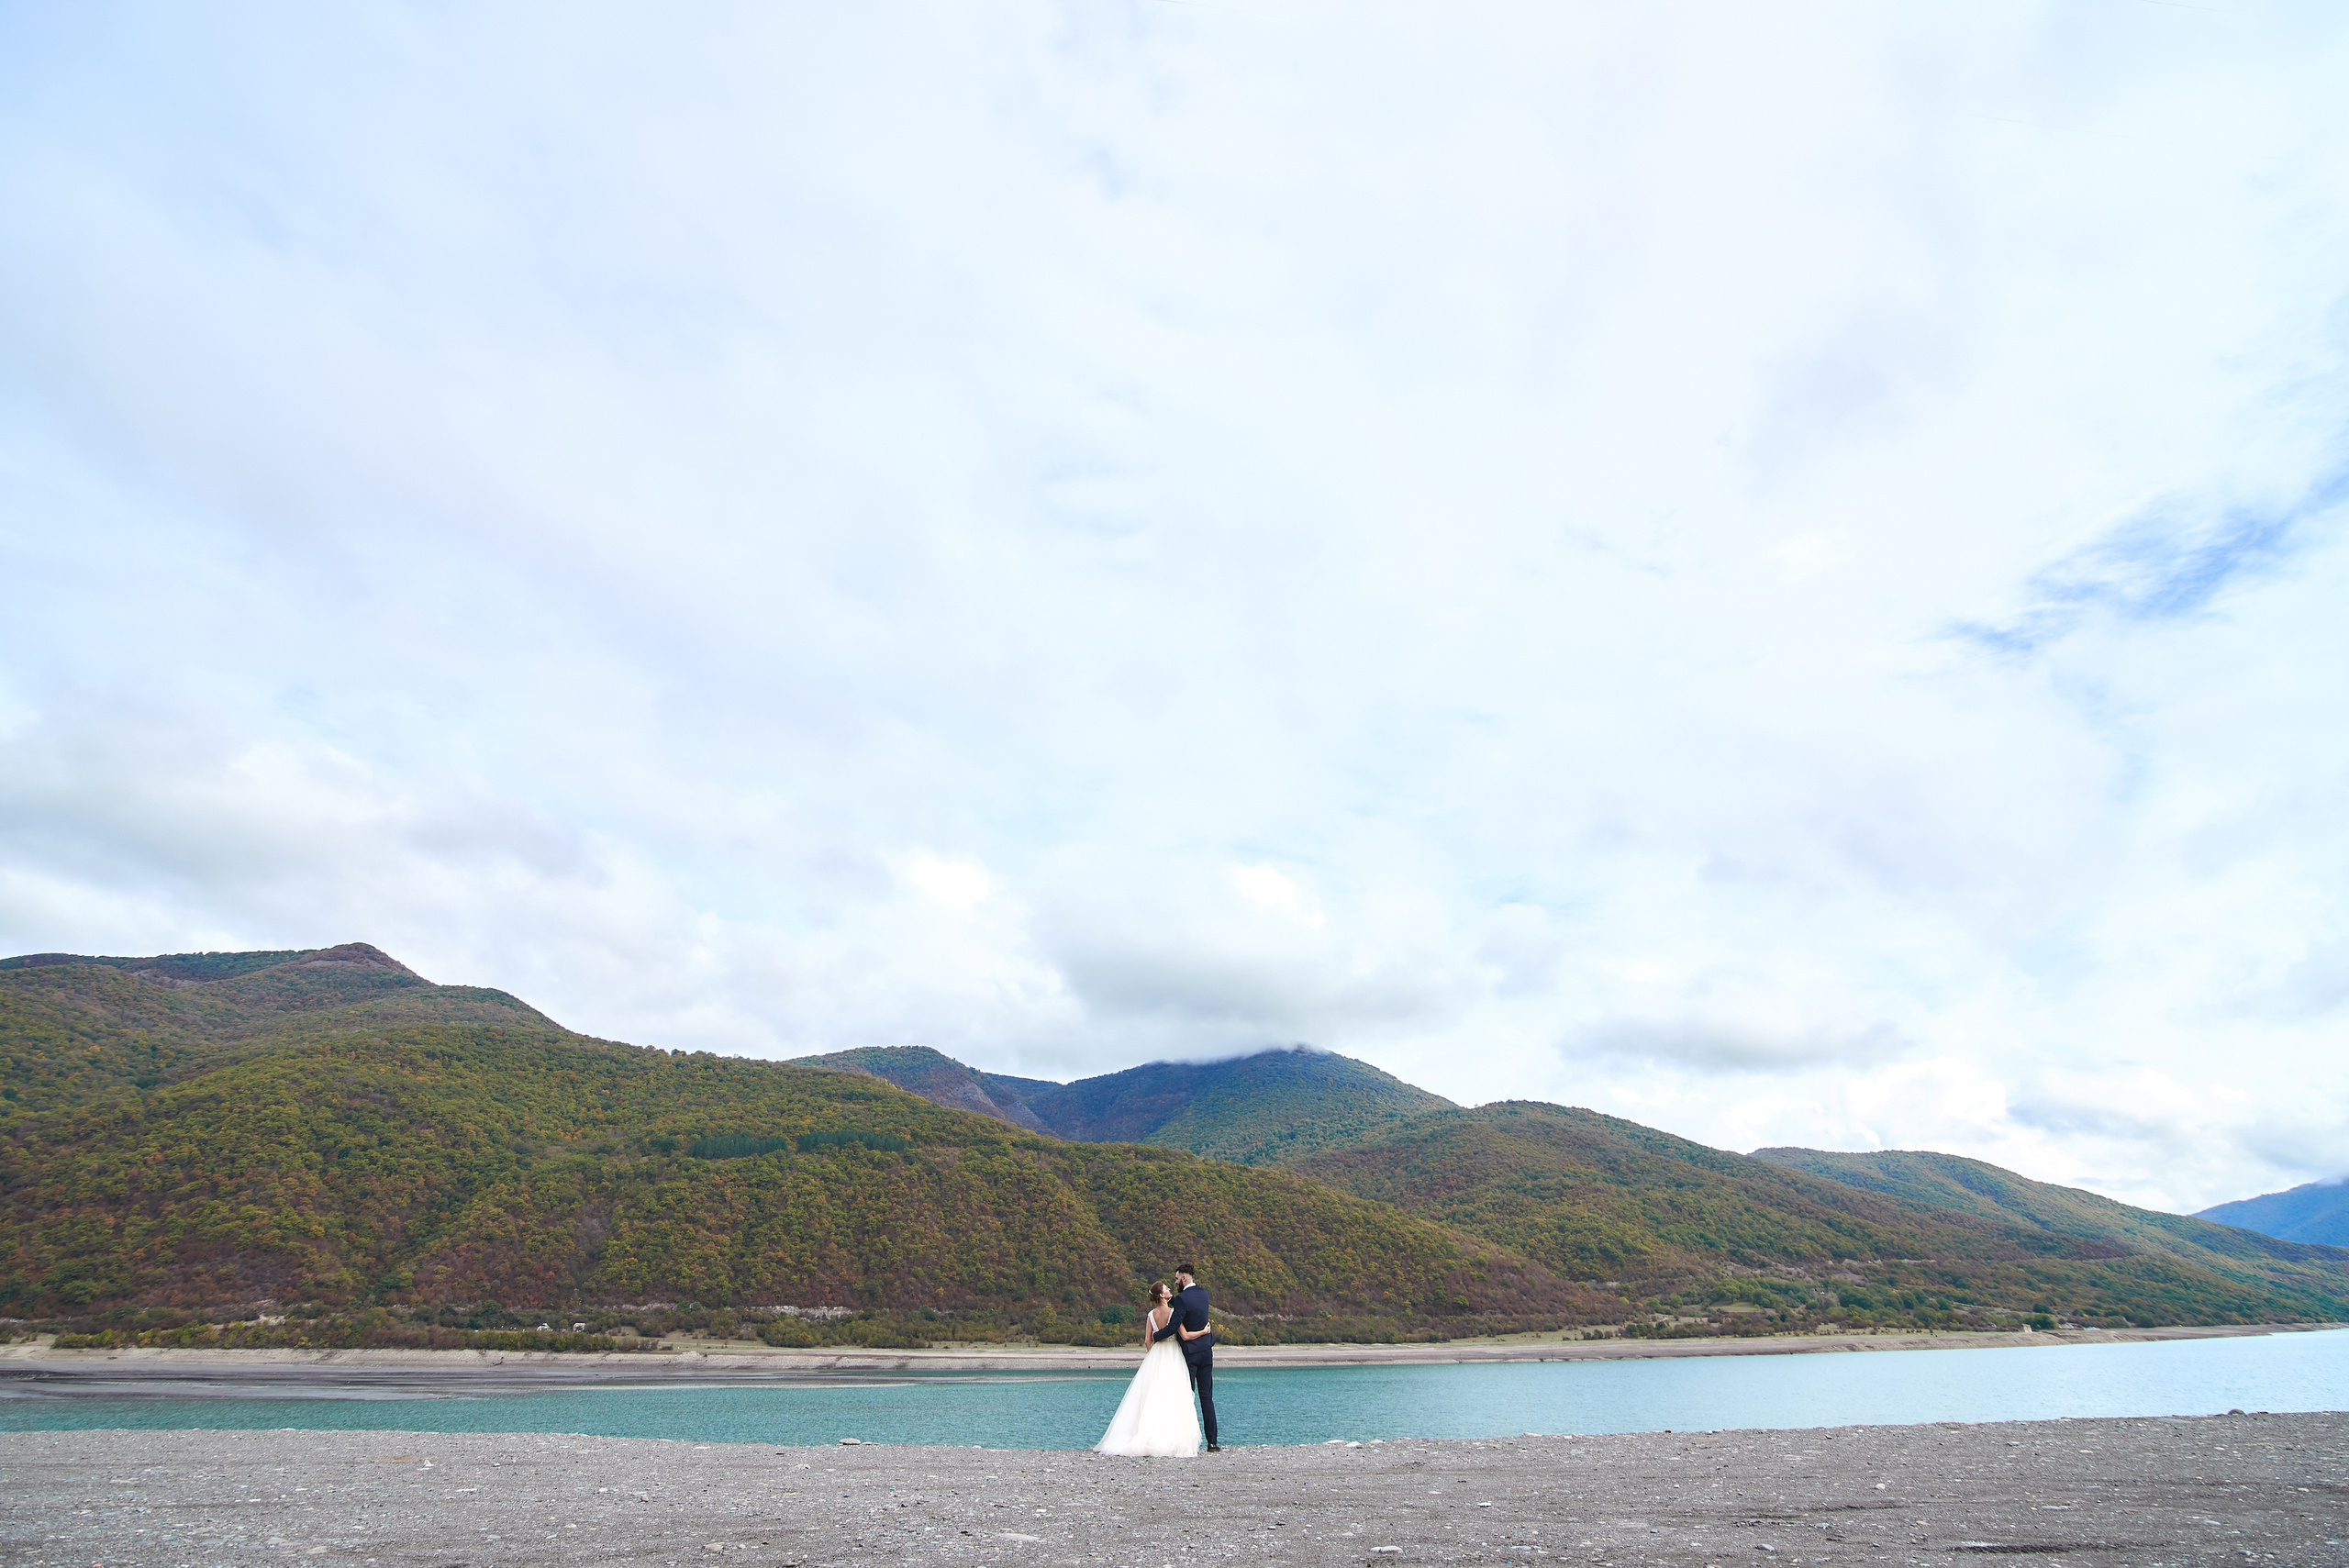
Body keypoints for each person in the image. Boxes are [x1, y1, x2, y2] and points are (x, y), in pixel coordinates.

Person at [1093, 1282, 1202, 1457]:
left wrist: (1153, 1357)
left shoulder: (1151, 1314)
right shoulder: (1174, 1313)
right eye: (1166, 1288)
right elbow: (1184, 1335)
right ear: (1161, 1295)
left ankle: (1149, 1432)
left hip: (1157, 1354)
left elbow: (1147, 1341)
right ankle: (1171, 1435)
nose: (1169, 1290)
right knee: (1174, 1394)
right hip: (1173, 1353)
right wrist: (1204, 1332)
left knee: (1152, 1395)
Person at [1153, 1263, 1219, 1452]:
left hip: (1189, 1354)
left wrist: (1155, 1336)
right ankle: (1212, 1442)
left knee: (1187, 1397)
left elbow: (1174, 1326)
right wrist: (1172, 1299)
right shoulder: (1204, 1294)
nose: (1175, 1282)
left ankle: (1188, 1441)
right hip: (1206, 1351)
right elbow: (1187, 1305)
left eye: (1176, 1278)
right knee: (1207, 1397)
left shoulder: (1182, 1299)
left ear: (1183, 1278)